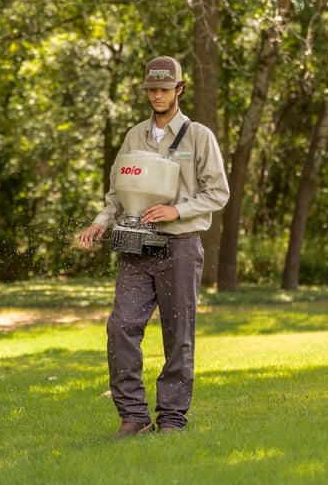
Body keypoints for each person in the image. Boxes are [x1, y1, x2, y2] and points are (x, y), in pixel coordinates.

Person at [78, 55, 230, 437]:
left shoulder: (199, 137)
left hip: (180, 247)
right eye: (152, 90)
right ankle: (133, 414)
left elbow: (218, 193)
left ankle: (172, 419)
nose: (157, 96)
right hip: (136, 248)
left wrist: (176, 210)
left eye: (164, 89)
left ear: (180, 90)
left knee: (178, 336)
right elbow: (118, 192)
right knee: (121, 327)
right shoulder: (134, 136)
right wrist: (99, 224)